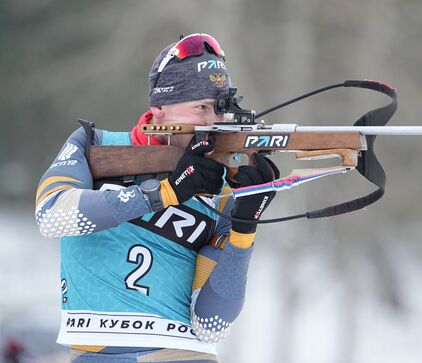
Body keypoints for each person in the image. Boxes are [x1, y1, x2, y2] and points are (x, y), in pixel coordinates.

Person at [35, 33, 278, 363]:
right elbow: (51, 216)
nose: (212, 123)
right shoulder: (96, 144)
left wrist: (244, 229)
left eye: (219, 110)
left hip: (181, 353)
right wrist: (163, 193)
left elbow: (211, 325)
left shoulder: (224, 182)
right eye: (201, 108)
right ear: (160, 111)